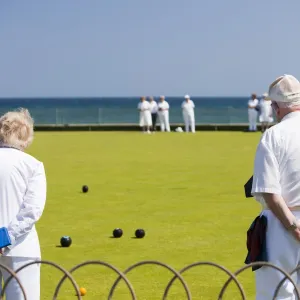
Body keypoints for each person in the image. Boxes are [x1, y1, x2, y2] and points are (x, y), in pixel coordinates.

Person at [250, 74, 300, 299]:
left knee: (278, 294)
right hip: (287, 223)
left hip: (282, 226)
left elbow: (270, 192)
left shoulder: (273, 136)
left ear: (277, 106)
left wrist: (294, 227)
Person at [0, 108, 47, 300]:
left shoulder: (32, 165)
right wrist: (4, 238)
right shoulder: (33, 165)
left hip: (20, 249)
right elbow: (31, 212)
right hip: (22, 249)